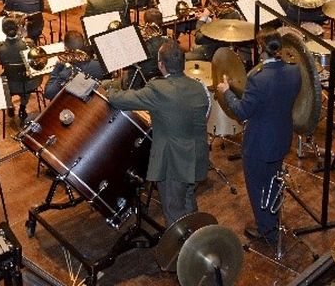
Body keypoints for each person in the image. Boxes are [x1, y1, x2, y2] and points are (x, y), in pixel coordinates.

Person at [107, 40, 210, 225]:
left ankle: (182, 241)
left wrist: (111, 88)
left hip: (175, 162)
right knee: (188, 199)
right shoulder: (199, 86)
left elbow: (120, 100)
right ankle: (194, 233)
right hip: (198, 157)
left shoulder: (158, 89)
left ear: (161, 65)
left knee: (173, 210)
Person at [217, 31, 299, 244]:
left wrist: (227, 92)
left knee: (257, 186)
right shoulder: (295, 71)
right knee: (274, 181)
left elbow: (242, 111)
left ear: (262, 51)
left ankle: (267, 230)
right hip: (282, 136)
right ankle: (273, 219)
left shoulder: (258, 79)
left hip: (259, 143)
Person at [0, 18, 42, 120]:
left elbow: (0, 62)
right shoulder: (28, 44)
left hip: (11, 84)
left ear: (3, 31)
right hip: (28, 83)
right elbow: (34, 60)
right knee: (26, 80)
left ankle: (10, 106)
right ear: (17, 29)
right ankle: (22, 107)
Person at [44, 30, 104, 99]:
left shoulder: (65, 74)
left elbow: (48, 94)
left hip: (71, 102)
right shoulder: (99, 65)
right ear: (84, 43)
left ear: (66, 48)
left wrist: (57, 68)